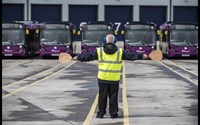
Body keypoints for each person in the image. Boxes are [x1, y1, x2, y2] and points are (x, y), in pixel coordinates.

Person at [73, 34, 148, 119]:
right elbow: (130, 55)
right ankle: (113, 114)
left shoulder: (99, 51)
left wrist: (78, 57)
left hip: (102, 78)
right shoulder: (120, 51)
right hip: (114, 79)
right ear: (114, 41)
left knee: (102, 96)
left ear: (105, 40)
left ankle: (100, 114)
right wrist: (141, 55)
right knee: (113, 97)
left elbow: (88, 56)